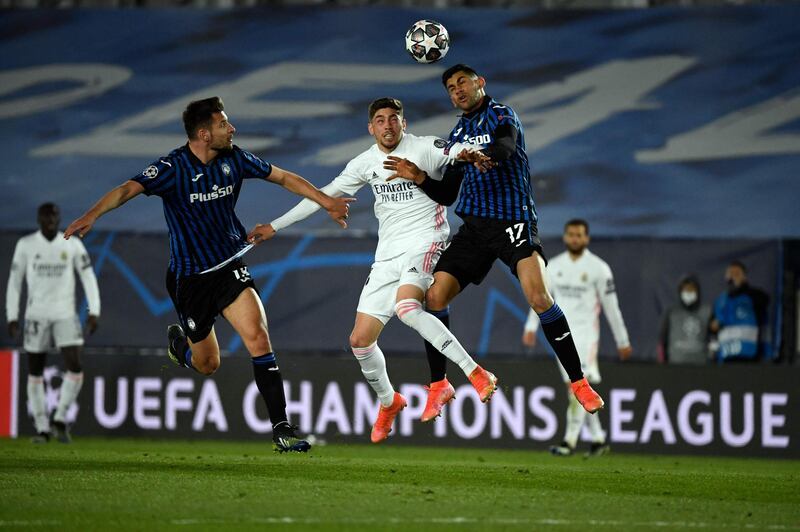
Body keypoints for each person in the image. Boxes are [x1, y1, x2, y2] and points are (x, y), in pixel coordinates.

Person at [64, 96, 352, 453]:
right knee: (208, 363)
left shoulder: (235, 158)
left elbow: (284, 177)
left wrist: (326, 201)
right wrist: (93, 214)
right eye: (223, 125)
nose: (231, 129)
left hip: (229, 266)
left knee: (259, 338)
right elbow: (128, 189)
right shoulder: (172, 168)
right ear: (203, 133)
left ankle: (281, 429)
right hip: (190, 279)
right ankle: (180, 349)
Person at [248, 97, 498, 443]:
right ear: (371, 128)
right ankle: (389, 402)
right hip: (387, 256)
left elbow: (454, 150)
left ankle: (476, 372)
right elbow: (324, 195)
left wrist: (467, 153)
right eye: (380, 120)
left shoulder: (423, 148)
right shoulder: (365, 162)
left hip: (426, 242)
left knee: (407, 308)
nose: (388, 125)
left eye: (394, 119)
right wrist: (275, 226)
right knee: (360, 341)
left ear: (404, 123)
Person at [387, 64, 605, 419]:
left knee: (538, 295)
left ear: (480, 83)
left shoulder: (502, 114)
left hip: (513, 221)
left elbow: (505, 146)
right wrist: (419, 177)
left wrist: (486, 156)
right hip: (474, 229)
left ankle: (578, 381)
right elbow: (446, 194)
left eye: (462, 82)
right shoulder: (456, 135)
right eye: (451, 87)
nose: (457, 90)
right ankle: (439, 385)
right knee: (434, 296)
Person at [521, 219, 631, 457]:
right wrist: (531, 326)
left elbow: (612, 308)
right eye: (571, 234)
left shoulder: (599, 269)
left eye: (579, 235)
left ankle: (569, 441)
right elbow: (540, 297)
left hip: (587, 337)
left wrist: (622, 341)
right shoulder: (554, 266)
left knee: (577, 388)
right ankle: (599, 439)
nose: (575, 239)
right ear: (565, 237)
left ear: (586, 238)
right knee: (579, 389)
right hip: (561, 337)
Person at [6, 202, 100, 444]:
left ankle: (59, 418)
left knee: (75, 367)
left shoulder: (72, 244)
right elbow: (15, 282)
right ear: (39, 219)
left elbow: (88, 276)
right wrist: (12, 315)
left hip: (65, 315)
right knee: (35, 371)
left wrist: (94, 310)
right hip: (36, 315)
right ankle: (42, 429)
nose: (51, 219)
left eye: (55, 215)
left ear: (59, 219)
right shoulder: (26, 245)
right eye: (46, 216)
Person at [710, 261, 769, 362]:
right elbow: (712, 326)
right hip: (726, 356)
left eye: (737, 274)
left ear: (744, 277)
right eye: (730, 274)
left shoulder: (753, 296)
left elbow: (765, 300)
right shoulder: (720, 301)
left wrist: (742, 288)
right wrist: (715, 325)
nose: (733, 277)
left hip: (748, 357)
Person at [658, 275, 713, 365]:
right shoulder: (671, 312)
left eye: (691, 289)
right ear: (680, 292)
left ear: (697, 292)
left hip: (701, 368)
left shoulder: (707, 311)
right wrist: (662, 364)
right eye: (685, 290)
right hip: (675, 367)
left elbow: (713, 338)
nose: (688, 292)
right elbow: (662, 341)